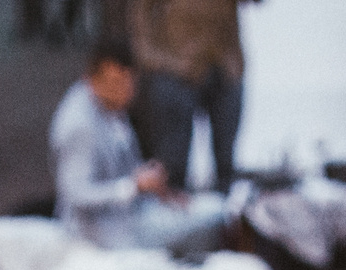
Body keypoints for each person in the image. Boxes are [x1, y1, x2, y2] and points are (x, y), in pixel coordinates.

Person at [49, 40, 229, 254]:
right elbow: (76, 194)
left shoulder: (108, 104)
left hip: (132, 214)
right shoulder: (80, 125)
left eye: (128, 83)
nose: (123, 91)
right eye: (114, 83)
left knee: (208, 206)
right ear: (91, 79)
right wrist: (132, 187)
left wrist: (158, 188)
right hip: (103, 232)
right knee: (216, 212)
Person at [128, 0, 247, 193]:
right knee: (172, 165)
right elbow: (140, 11)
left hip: (225, 65)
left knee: (226, 164)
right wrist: (150, 55)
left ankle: (224, 215)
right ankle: (173, 216)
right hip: (175, 66)